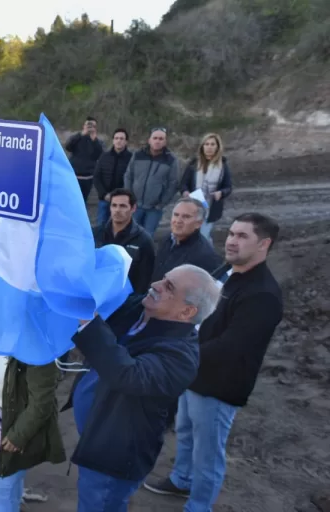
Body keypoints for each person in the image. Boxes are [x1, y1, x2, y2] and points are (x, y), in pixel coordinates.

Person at [144, 214, 283, 512]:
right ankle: (181, 479)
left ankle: (198, 506)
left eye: (243, 236)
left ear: (264, 244)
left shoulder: (263, 294)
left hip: (221, 385)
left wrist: (180, 353)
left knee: (208, 454)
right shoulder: (226, 272)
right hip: (194, 373)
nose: (231, 240)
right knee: (185, 431)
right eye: (231, 233)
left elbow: (233, 346)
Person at [61, 264, 221, 511]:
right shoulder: (141, 309)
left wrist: (87, 321)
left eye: (169, 287)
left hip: (113, 455)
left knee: (99, 504)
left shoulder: (181, 357)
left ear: (187, 311)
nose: (155, 284)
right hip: (99, 434)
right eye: (163, 278)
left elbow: (128, 374)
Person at [0, 353, 66, 511]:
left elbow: (42, 404)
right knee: (13, 476)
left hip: (23, 427)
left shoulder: (38, 352)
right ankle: (17, 497)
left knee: (3, 490)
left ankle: (14, 499)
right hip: (0, 420)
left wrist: (18, 436)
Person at [93, 189, 155, 294]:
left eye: (123, 206)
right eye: (114, 205)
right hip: (96, 294)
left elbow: (144, 278)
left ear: (133, 208)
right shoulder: (96, 233)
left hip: (125, 300)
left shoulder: (143, 240)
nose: (117, 210)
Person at [124, 127, 179, 236]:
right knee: (130, 234)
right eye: (155, 138)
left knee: (147, 236)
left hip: (154, 208)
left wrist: (161, 203)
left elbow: (173, 184)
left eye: (161, 139)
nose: (157, 141)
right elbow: (128, 176)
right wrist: (129, 197)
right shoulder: (138, 155)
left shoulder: (171, 160)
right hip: (135, 205)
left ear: (165, 141)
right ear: (149, 140)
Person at [151, 198, 221, 282]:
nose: (178, 221)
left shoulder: (205, 256)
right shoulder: (167, 238)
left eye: (186, 217)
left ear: (198, 223)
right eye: (176, 215)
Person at [179, 133, 233, 241]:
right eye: (206, 144)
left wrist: (221, 193)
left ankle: (206, 255)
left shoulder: (223, 165)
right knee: (191, 236)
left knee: (203, 236)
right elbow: (183, 184)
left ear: (217, 147)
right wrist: (185, 192)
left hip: (211, 207)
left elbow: (228, 187)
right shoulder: (194, 164)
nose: (209, 147)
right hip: (193, 205)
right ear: (202, 146)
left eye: (212, 144)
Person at [93, 129, 133, 227]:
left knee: (119, 225)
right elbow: (97, 177)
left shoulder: (131, 158)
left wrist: (119, 195)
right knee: (101, 225)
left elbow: (131, 179)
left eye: (121, 138)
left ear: (126, 141)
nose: (119, 141)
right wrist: (103, 194)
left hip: (122, 200)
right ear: (113, 140)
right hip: (104, 199)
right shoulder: (104, 156)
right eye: (116, 138)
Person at [65, 116, 104, 201]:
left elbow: (99, 155)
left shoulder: (97, 141)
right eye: (88, 125)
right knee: (70, 200)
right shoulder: (77, 137)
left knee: (83, 201)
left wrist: (94, 140)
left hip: (87, 178)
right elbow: (68, 147)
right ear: (83, 126)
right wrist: (81, 134)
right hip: (73, 176)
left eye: (92, 126)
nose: (90, 127)